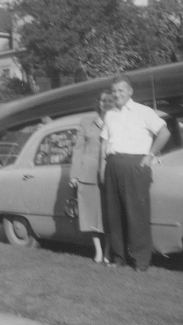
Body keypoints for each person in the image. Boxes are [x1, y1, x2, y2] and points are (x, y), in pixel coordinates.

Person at [100, 75, 170, 271]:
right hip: (113, 164)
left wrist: (150, 155)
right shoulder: (110, 114)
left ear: (130, 91)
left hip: (135, 165)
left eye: (121, 90)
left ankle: (140, 262)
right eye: (114, 91)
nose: (117, 94)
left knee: (136, 214)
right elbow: (105, 141)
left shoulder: (144, 111)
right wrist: (103, 165)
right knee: (115, 215)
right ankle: (119, 258)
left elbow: (164, 133)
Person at [69, 89, 115, 263]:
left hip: (110, 173)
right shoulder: (86, 122)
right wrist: (74, 175)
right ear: (98, 103)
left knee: (109, 214)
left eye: (110, 100)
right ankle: (98, 250)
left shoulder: (117, 120)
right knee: (91, 214)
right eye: (103, 100)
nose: (106, 103)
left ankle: (109, 251)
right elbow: (78, 149)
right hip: (88, 174)